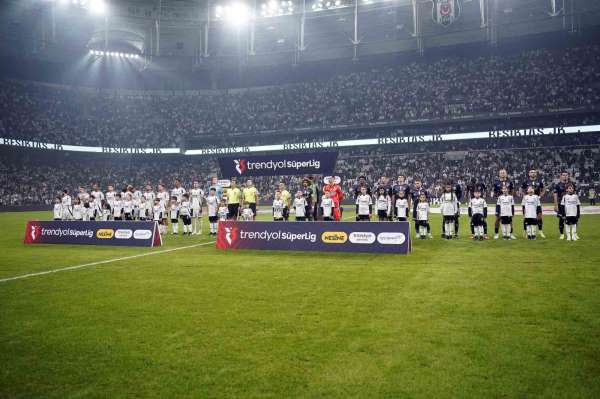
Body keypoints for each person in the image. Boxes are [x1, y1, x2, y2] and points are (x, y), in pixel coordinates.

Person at [521, 169, 546, 238]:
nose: (533, 173)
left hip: (536, 200)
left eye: (534, 172)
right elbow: (522, 189)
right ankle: (526, 231)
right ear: (529, 174)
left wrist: (540, 196)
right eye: (531, 172)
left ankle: (540, 231)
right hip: (528, 200)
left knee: (539, 215)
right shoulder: (526, 181)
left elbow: (543, 189)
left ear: (536, 173)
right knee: (526, 216)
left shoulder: (539, 181)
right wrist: (524, 195)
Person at [492, 169, 516, 239]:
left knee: (510, 218)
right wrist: (497, 198)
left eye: (504, 173)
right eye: (501, 173)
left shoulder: (510, 182)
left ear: (506, 173)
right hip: (500, 202)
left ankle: (510, 233)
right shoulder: (496, 182)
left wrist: (509, 197)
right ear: (499, 174)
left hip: (508, 202)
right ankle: (496, 233)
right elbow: (494, 192)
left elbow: (512, 190)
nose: (502, 174)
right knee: (498, 218)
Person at [553, 171, 573, 240]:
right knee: (561, 219)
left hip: (571, 204)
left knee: (573, 219)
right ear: (561, 176)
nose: (565, 176)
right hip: (561, 205)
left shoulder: (572, 184)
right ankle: (562, 234)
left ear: (568, 176)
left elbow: (575, 194)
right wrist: (555, 205)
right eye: (563, 175)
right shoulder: (558, 185)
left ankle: (573, 234)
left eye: (566, 175)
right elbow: (555, 195)